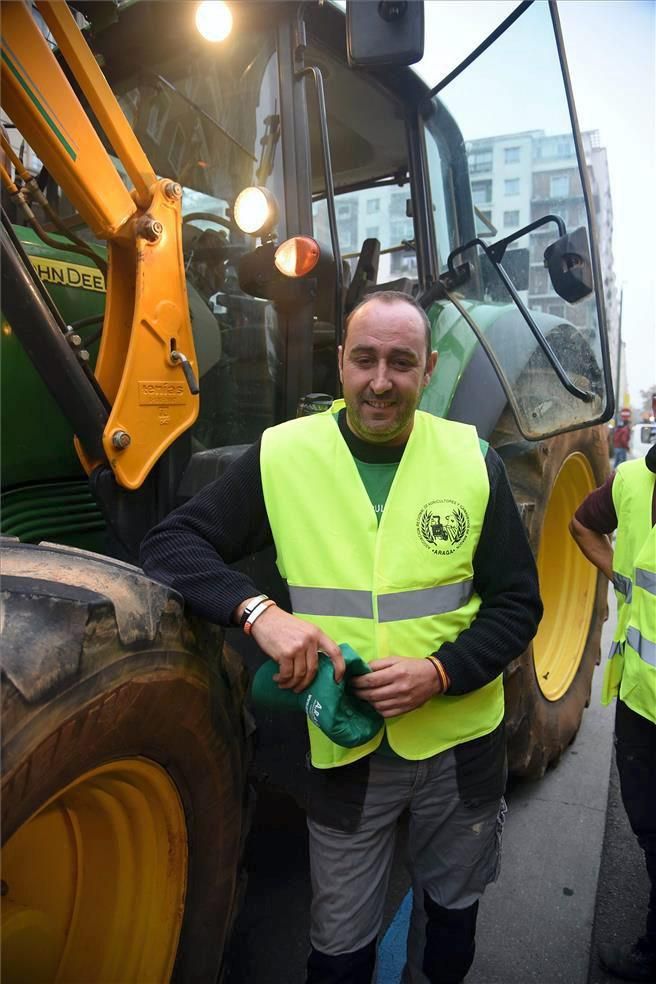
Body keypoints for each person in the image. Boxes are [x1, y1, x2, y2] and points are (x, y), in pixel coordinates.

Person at [140, 291, 543, 984]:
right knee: (338, 946)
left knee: (451, 921)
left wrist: (441, 673)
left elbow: (517, 603)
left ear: (428, 369)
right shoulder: (284, 457)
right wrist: (260, 613)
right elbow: (171, 544)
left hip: (461, 748)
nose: (380, 381)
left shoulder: (473, 462)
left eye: (400, 362)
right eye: (364, 360)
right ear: (340, 362)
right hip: (347, 750)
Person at [569, 442, 656, 982]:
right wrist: (621, 581)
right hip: (638, 700)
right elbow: (581, 525)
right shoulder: (628, 481)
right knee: (647, 824)